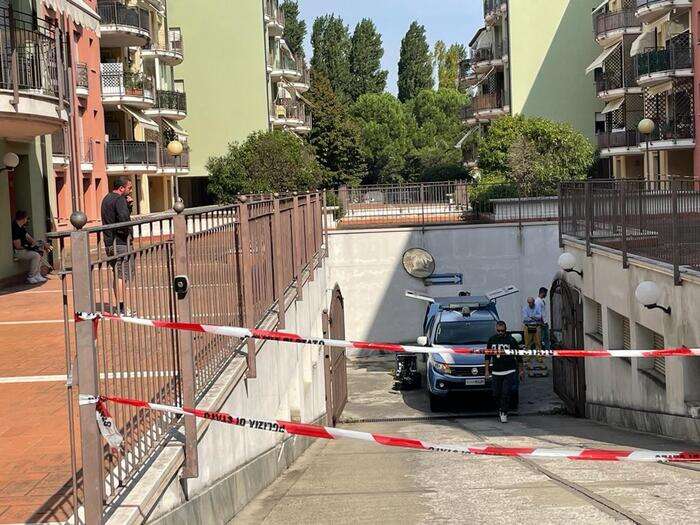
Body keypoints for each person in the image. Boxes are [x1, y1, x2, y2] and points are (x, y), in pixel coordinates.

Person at [101, 177, 134, 315]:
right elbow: (124, 219)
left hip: (109, 242)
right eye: (129, 188)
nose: (130, 191)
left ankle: (119, 307)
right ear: (121, 188)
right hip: (120, 242)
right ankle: (121, 308)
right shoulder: (119, 199)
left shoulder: (106, 198)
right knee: (122, 275)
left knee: (117, 274)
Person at [485, 321, 524, 423]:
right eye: (499, 331)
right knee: (496, 393)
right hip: (496, 371)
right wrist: (486, 371)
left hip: (509, 370)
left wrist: (521, 371)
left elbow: (519, 356)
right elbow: (487, 357)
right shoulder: (492, 340)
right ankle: (500, 408)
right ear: (496, 329)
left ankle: (504, 412)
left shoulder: (511, 340)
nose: (500, 332)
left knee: (505, 393)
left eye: (502, 331)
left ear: (505, 330)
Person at [11, 210, 49, 284]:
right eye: (26, 218)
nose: (27, 220)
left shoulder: (21, 227)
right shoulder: (15, 228)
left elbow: (30, 238)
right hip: (18, 252)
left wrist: (39, 244)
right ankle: (31, 276)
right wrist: (29, 247)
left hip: (24, 249)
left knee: (40, 251)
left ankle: (37, 274)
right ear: (23, 218)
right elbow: (17, 246)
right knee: (36, 255)